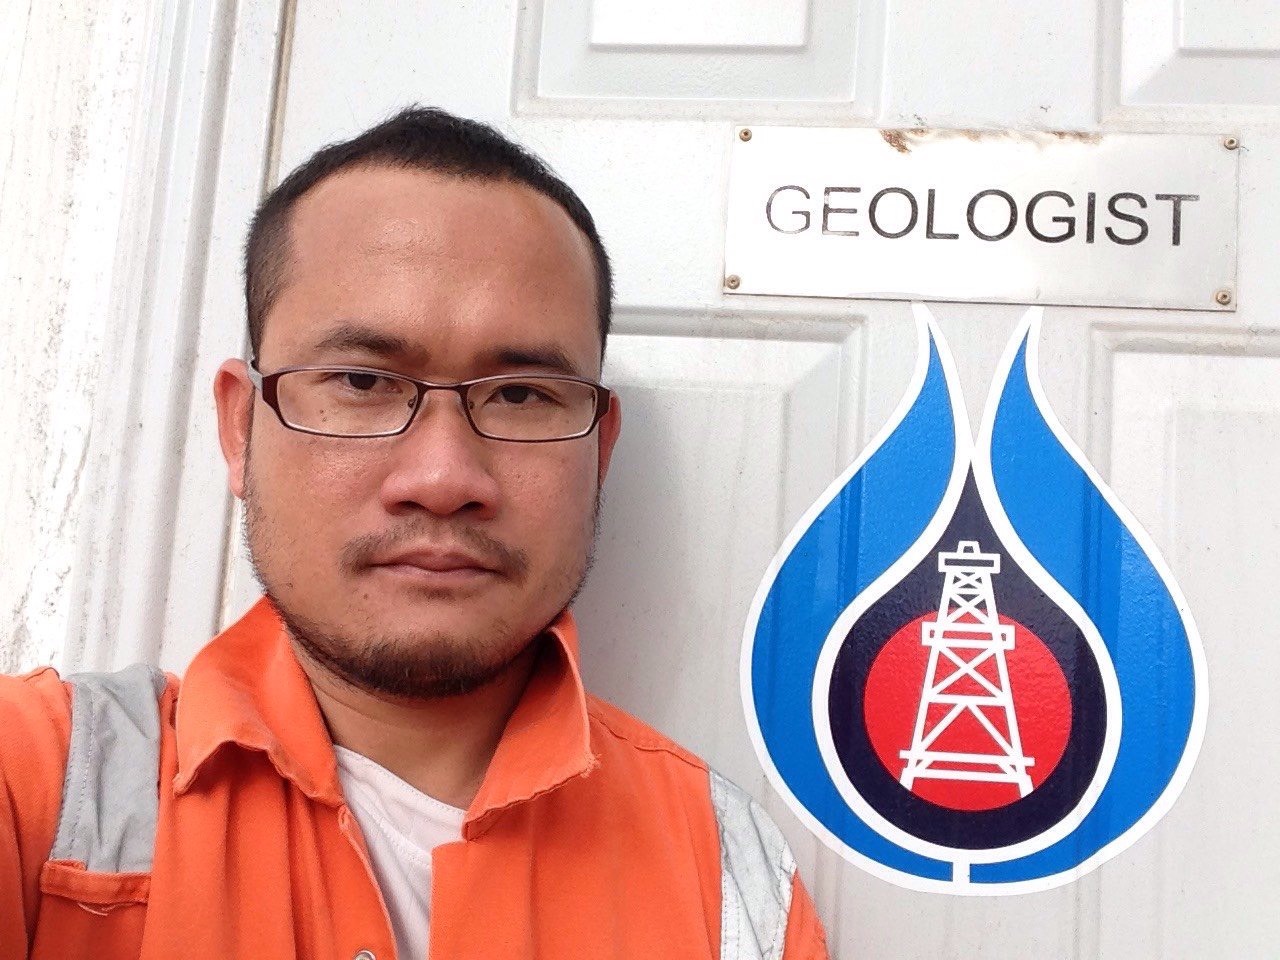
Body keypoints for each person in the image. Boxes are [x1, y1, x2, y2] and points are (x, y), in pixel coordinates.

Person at [0, 107, 829, 960]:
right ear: (240, 429)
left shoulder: (726, 875)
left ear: (600, 450)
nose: (442, 479)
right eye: (362, 382)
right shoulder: (37, 781)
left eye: (520, 395)